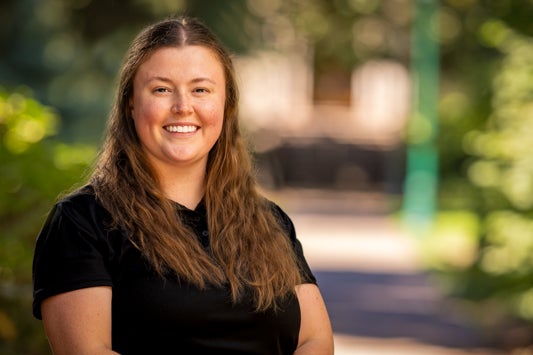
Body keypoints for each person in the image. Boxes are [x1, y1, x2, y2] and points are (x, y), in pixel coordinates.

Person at [32, 16, 333, 355]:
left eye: (200, 90)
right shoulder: (81, 222)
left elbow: (315, 340)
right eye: (161, 89)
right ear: (131, 103)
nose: (183, 107)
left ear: (226, 104)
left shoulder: (269, 220)